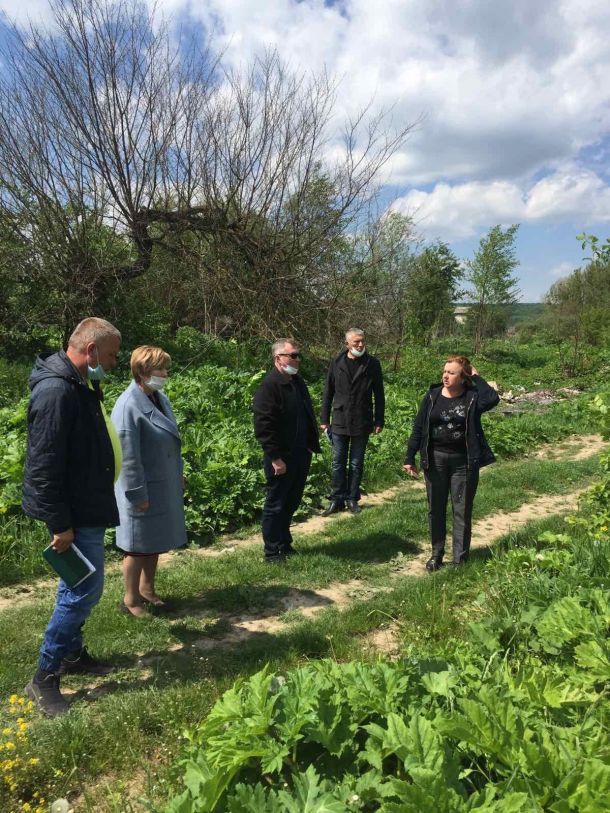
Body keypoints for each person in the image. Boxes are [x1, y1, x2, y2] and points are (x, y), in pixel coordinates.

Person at [22, 317, 122, 716]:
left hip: (87, 504)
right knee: (82, 590)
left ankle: (72, 654)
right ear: (92, 350)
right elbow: (42, 466)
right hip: (74, 514)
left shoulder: (81, 383)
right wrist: (59, 524)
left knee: (80, 586)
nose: (115, 363)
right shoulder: (56, 392)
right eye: (112, 355)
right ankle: (45, 676)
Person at [403, 355, 499, 571]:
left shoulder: (473, 397)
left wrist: (476, 376)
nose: (446, 376)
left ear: (463, 377)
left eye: (452, 372)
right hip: (435, 460)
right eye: (444, 372)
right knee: (435, 509)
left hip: (463, 463)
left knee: (461, 510)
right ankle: (436, 555)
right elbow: (419, 428)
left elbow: (492, 398)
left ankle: (460, 559)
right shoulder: (432, 396)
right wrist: (410, 457)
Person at [111, 346, 187, 617]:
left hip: (160, 482)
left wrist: (177, 474)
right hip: (140, 488)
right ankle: (130, 600)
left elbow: (168, 441)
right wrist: (136, 494)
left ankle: (148, 590)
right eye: (161, 369)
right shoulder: (128, 405)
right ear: (143, 372)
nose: (166, 374)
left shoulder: (157, 397)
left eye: (166, 368)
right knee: (136, 547)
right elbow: (128, 458)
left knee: (153, 542)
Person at [253, 338, 320, 563]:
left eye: (298, 355)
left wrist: (311, 443)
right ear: (277, 358)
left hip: (301, 452)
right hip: (281, 457)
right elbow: (264, 426)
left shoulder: (297, 381)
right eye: (292, 355)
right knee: (276, 503)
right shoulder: (269, 386)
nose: (296, 359)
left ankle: (284, 542)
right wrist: (275, 457)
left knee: (292, 500)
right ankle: (271, 551)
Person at [320, 328, 384, 515]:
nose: (360, 344)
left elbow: (379, 395)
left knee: (356, 463)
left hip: (362, 420)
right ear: (347, 344)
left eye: (362, 341)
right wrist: (324, 419)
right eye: (356, 342)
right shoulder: (336, 362)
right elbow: (328, 392)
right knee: (338, 462)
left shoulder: (372, 364)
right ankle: (337, 499)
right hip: (339, 420)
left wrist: (379, 419)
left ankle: (352, 499)